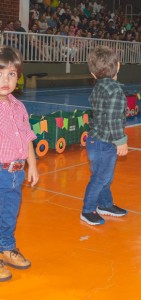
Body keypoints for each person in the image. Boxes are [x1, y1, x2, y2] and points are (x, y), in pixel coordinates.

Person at [0, 46, 39, 282]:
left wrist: (32, 165)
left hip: (16, 174)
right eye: (0, 73)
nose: (5, 79)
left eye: (11, 74)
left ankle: (6, 247)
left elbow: (27, 137)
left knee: (9, 215)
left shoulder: (19, 107)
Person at [80, 46, 128, 225]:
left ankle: (105, 204)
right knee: (101, 177)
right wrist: (121, 141)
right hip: (105, 143)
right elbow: (114, 119)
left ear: (93, 74)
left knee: (103, 176)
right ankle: (88, 210)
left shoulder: (98, 87)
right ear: (118, 66)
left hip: (95, 140)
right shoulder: (115, 90)